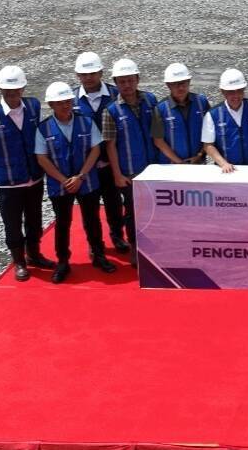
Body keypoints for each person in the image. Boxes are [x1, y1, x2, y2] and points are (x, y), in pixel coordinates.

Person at [35, 81, 117, 282]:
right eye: (59, 102)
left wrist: (80, 176)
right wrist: (64, 180)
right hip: (60, 184)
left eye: (67, 101)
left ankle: (98, 255)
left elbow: (96, 149)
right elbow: (42, 158)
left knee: (92, 220)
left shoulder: (86, 122)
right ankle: (63, 262)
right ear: (51, 105)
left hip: (86, 181)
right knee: (62, 224)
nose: (65, 106)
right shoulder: (43, 128)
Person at [0, 65, 51, 282]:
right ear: (0, 90)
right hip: (8, 182)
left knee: (35, 220)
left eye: (16, 90)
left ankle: (34, 254)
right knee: (12, 223)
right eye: (7, 90)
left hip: (33, 177)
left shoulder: (34, 106)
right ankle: (19, 261)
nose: (12, 94)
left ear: (23, 88)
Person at [102, 58, 161, 252]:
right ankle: (136, 249)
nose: (126, 85)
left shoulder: (151, 101)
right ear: (116, 83)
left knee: (156, 209)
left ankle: (156, 244)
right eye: (121, 81)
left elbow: (158, 135)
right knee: (133, 212)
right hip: (129, 173)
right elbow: (110, 145)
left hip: (152, 169)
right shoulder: (110, 111)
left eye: (130, 80)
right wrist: (117, 174)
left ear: (137, 79)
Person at [74, 51, 127, 253]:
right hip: (85, 166)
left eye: (92, 73)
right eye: (84, 74)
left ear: (101, 73)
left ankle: (117, 236)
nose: (88, 78)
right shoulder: (70, 99)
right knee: (89, 208)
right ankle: (94, 244)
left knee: (114, 203)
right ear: (78, 75)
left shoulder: (116, 95)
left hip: (111, 163)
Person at [202, 68, 248, 172]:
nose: (236, 95)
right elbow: (208, 145)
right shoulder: (212, 115)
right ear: (223, 92)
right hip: (228, 170)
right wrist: (223, 163)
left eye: (239, 90)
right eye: (231, 92)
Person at [154, 62, 210, 165]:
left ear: (189, 81)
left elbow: (209, 133)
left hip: (198, 163)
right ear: (168, 85)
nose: (180, 87)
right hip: (171, 166)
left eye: (183, 83)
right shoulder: (160, 109)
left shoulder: (201, 103)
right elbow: (158, 141)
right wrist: (179, 162)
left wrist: (200, 155)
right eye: (175, 84)